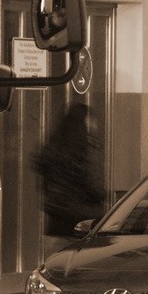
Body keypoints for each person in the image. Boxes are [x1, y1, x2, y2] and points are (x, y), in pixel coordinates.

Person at [32, 102, 107, 238]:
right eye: (92, 123)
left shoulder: (52, 147)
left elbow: (43, 183)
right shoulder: (86, 150)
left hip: (56, 221)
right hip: (84, 221)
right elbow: (94, 184)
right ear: (85, 125)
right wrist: (105, 195)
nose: (95, 126)